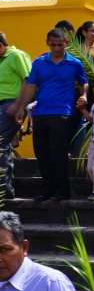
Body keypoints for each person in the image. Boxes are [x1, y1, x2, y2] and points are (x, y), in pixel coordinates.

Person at [7, 26, 87, 201]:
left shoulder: (75, 63)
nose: (57, 48)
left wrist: (84, 95)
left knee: (58, 152)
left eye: (60, 45)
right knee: (41, 152)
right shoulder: (39, 63)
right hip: (41, 112)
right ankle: (49, 189)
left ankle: (63, 191)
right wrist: (21, 107)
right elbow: (30, 86)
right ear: (47, 43)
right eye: (53, 45)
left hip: (62, 113)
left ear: (66, 43)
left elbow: (83, 83)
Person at [0, 32, 32, 197]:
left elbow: (29, 81)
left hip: (11, 105)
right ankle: (6, 190)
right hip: (3, 106)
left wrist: (18, 104)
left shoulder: (16, 55)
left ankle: (4, 190)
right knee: (4, 146)